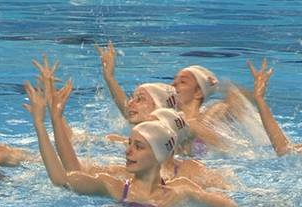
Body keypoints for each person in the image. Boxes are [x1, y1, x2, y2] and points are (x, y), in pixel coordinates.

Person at [23, 59, 236, 207]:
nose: (127, 150)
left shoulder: (184, 180)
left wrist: (190, 194)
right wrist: (46, 121)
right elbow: (65, 175)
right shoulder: (115, 182)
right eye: (130, 144)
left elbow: (230, 203)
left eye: (138, 146)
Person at [95, 41, 238, 154]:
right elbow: (133, 112)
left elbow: (225, 149)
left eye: (182, 81)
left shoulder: (199, 121)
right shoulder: (170, 119)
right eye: (174, 80)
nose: (174, 84)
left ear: (199, 93)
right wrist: (110, 78)